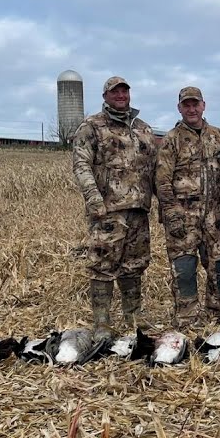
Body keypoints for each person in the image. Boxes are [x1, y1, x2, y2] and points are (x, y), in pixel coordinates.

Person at [70, 76, 159, 329]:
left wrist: (163, 203)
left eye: (124, 91)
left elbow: (155, 170)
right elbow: (81, 164)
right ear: (105, 96)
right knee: (102, 264)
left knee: (134, 264)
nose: (121, 96)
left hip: (138, 210)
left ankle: (133, 317)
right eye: (115, 92)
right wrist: (93, 198)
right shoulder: (92, 126)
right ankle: (102, 321)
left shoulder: (143, 129)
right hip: (108, 211)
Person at [155, 86, 220, 328]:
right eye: (186, 105)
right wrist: (172, 215)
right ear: (179, 108)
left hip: (213, 216)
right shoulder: (172, 139)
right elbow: (162, 181)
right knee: (184, 267)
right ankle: (188, 318)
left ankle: (218, 314)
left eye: (195, 104)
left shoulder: (218, 136)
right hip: (183, 216)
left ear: (203, 106)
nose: (191, 109)